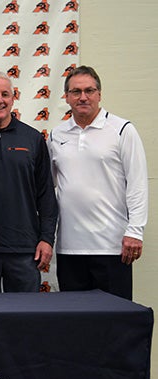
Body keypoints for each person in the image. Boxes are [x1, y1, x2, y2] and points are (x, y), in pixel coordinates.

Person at [48, 66, 148, 300]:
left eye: (89, 90)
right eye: (76, 92)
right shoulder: (56, 135)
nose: (83, 97)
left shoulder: (123, 130)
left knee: (116, 322)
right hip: (69, 248)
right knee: (75, 322)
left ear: (99, 94)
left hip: (113, 247)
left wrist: (135, 231)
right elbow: (47, 189)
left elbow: (138, 184)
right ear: (67, 97)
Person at [0, 71, 57, 293]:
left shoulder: (32, 139)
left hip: (25, 249)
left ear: (13, 98)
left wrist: (46, 238)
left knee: (26, 320)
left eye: (5, 94)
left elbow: (46, 195)